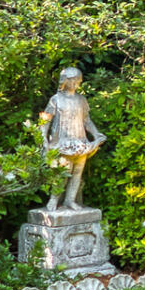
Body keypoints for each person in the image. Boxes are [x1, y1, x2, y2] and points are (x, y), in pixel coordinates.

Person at [38, 67, 106, 210]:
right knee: (63, 172)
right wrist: (43, 138)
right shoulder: (56, 99)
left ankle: (70, 200)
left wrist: (96, 134)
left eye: (78, 81)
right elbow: (46, 121)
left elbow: (86, 120)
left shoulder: (81, 100)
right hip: (62, 141)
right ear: (65, 81)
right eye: (72, 80)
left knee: (77, 172)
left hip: (80, 140)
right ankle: (54, 199)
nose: (75, 84)